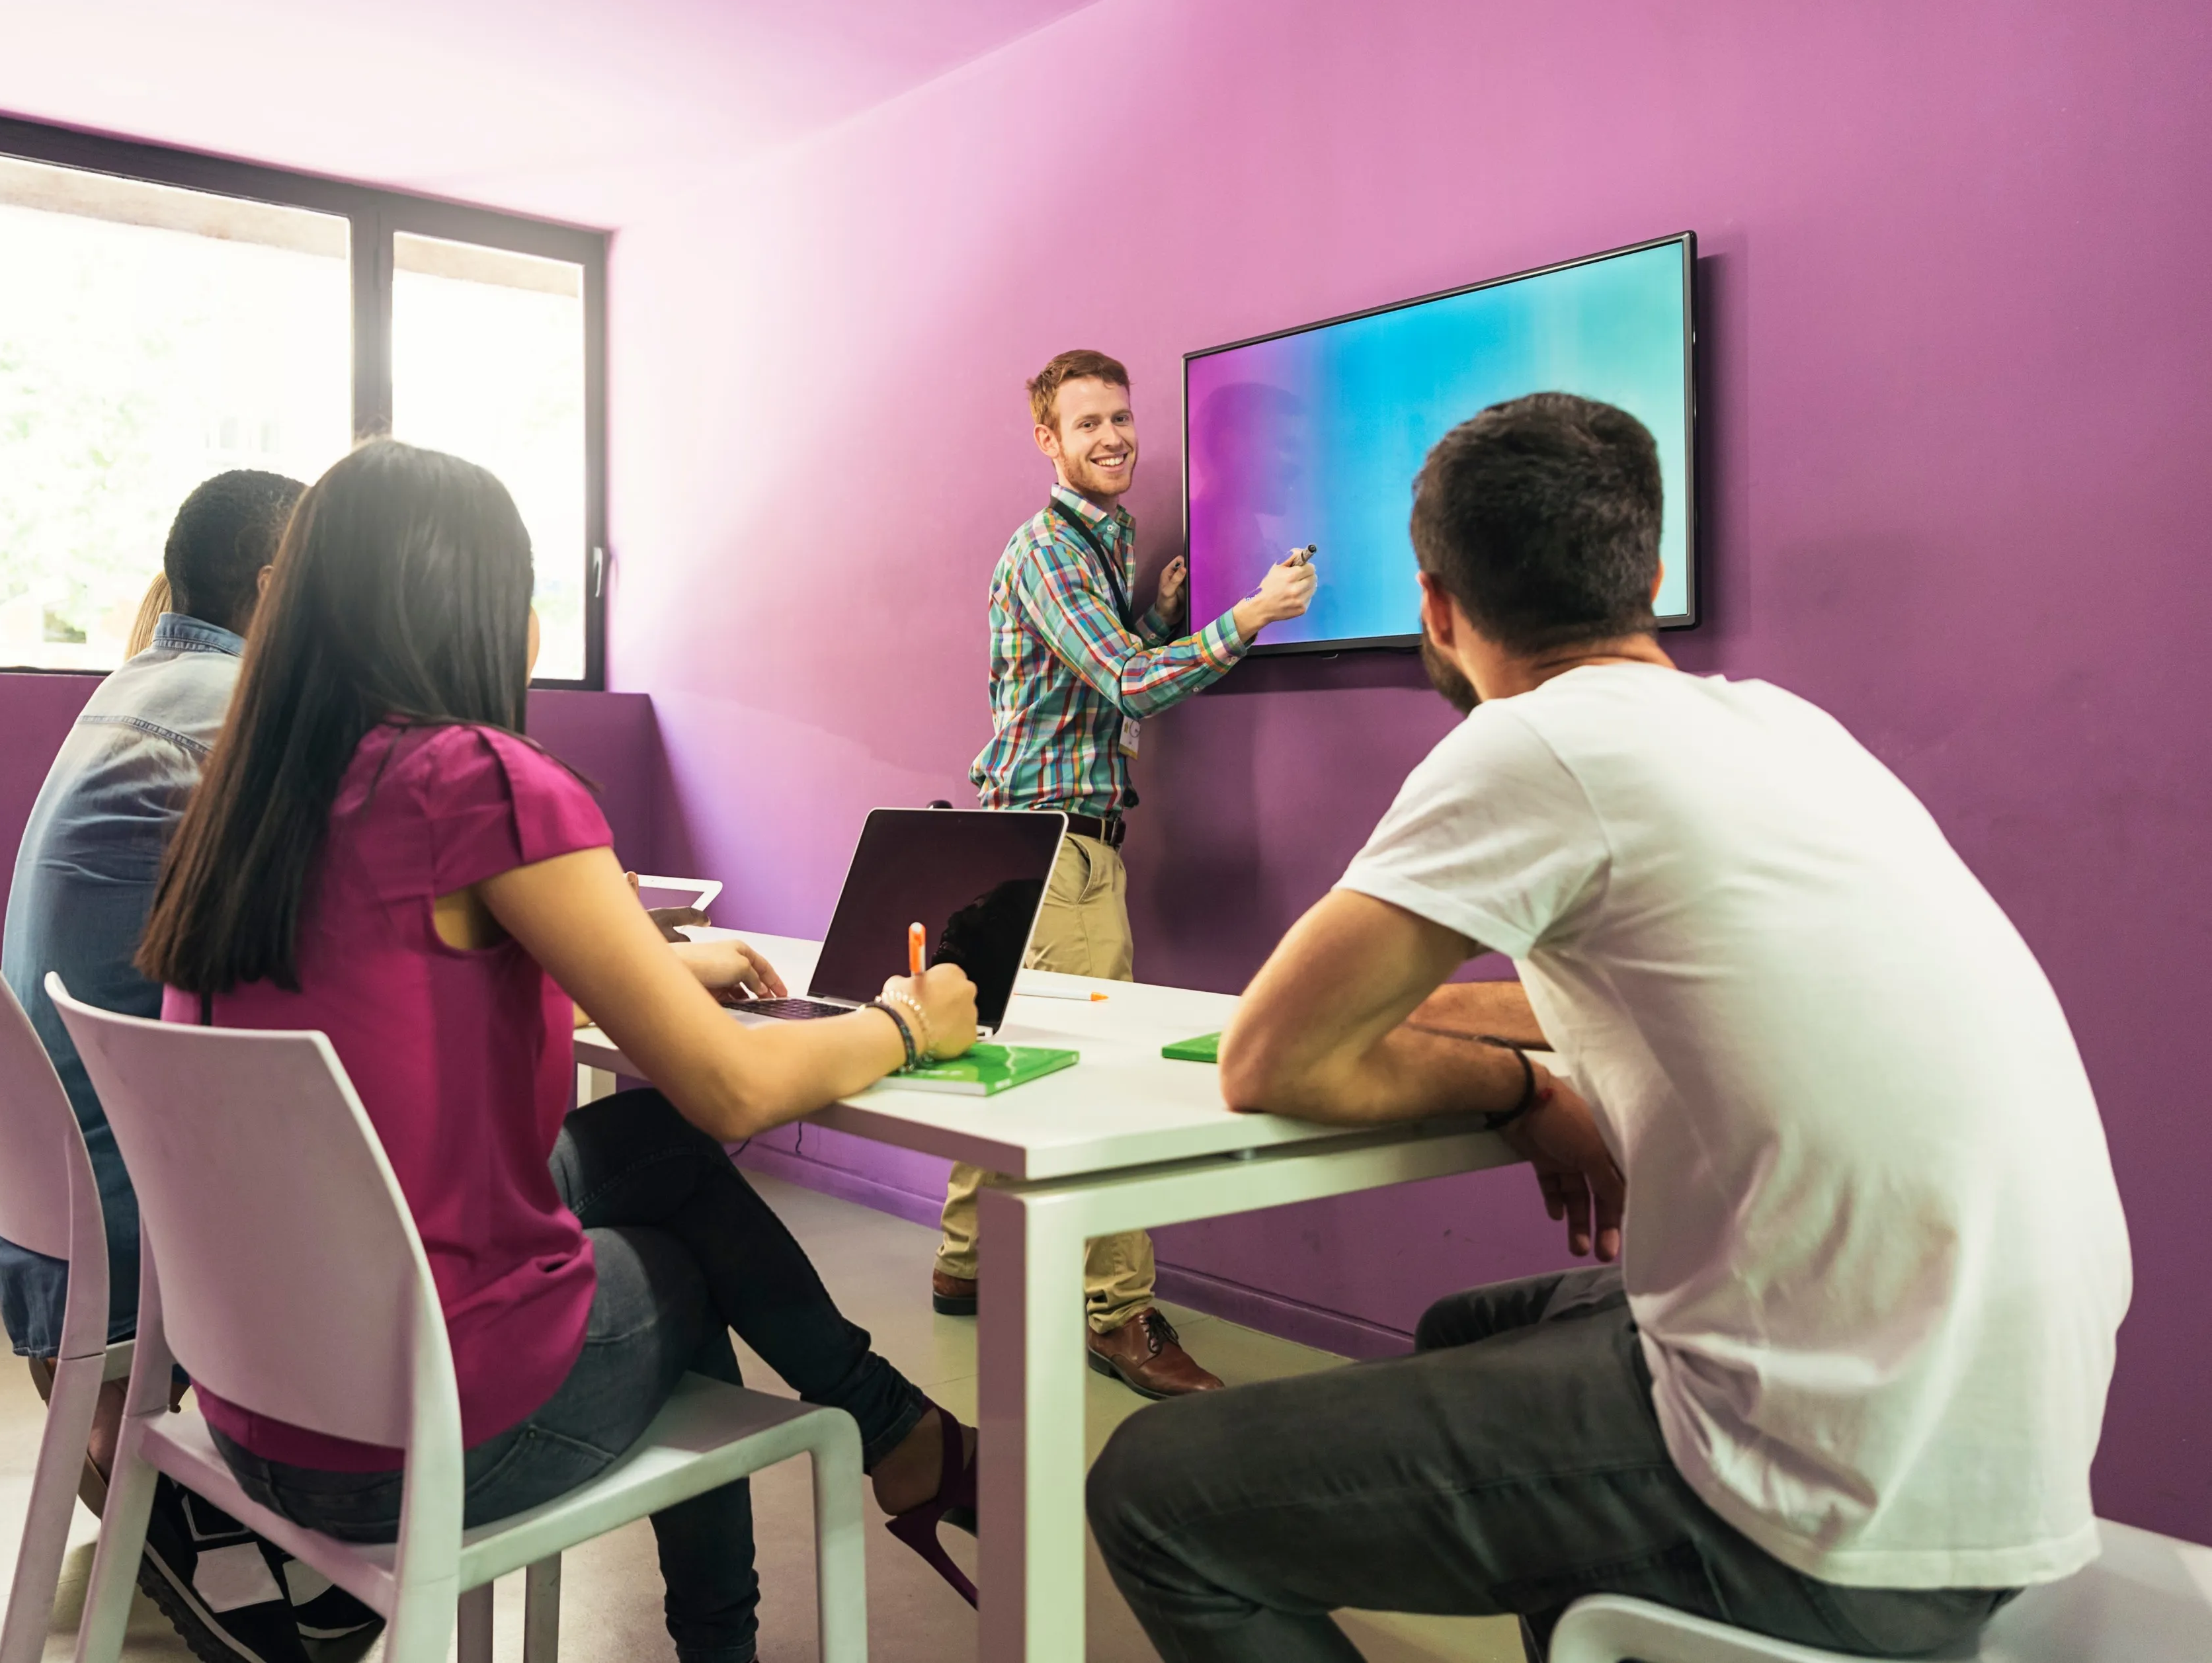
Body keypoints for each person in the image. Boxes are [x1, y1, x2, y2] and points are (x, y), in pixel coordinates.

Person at [1087, 393, 2130, 1661]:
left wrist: (1516, 1098)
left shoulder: (1530, 739)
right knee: (1469, 1335)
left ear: (1434, 604)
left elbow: (1268, 1058)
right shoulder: (1784, 726)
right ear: (1647, 573)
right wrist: (1477, 1034)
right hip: (2002, 1438)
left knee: (1155, 1490)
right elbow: (1655, 984)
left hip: (1833, 1500)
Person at [138, 438, 993, 1660]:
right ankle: (800, 1553)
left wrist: (648, 963)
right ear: (486, 610)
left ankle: (903, 1437)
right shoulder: (475, 776)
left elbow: (408, 975)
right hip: (409, 1435)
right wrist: (905, 1024)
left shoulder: (253, 798)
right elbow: (737, 1085)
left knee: (647, 1142)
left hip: (257, 1404)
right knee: (680, 1251)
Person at [0, 469, 364, 1663]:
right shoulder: (229, 711)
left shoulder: (140, 686)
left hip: (43, 1199)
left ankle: (204, 1498)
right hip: (131, 1226)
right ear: (276, 587)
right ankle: (322, 1496)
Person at [946, 347, 1318, 1397]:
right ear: (1047, 441)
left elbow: (1093, 677)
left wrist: (1154, 612)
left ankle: (960, 1262)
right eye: (1086, 422)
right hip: (1057, 851)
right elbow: (1123, 683)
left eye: (1120, 416)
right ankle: (1116, 1316)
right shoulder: (1052, 552)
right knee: (1094, 1080)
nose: (1111, 436)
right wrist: (1242, 617)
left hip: (1034, 837)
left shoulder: (1092, 545)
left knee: (1010, 1051)